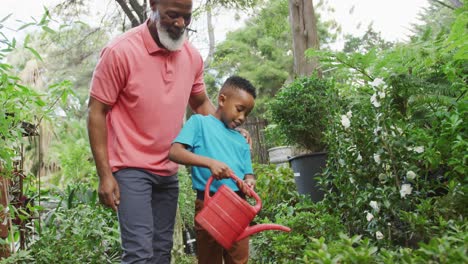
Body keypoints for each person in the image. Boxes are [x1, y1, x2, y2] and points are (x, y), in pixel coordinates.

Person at [87, 0, 220, 262]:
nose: (180, 23)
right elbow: (96, 112)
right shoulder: (120, 52)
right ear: (153, 6)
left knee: (161, 252)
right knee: (139, 253)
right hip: (130, 168)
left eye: (187, 17)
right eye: (172, 15)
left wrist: (228, 132)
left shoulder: (191, 57)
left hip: (168, 168)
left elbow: (201, 103)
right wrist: (105, 175)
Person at [168, 76, 257, 264]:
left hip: (237, 206)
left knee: (239, 260)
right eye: (239, 109)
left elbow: (248, 173)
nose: (242, 118)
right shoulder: (199, 123)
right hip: (208, 203)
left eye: (246, 114)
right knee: (209, 260)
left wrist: (249, 182)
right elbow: (175, 152)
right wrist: (210, 163)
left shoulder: (241, 140)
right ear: (222, 100)